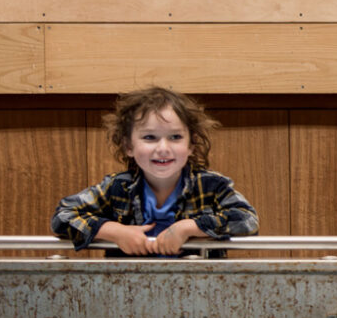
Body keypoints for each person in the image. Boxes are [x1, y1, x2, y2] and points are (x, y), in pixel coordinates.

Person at [51, 86, 258, 257]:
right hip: (130, 293)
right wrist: (114, 231)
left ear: (191, 145)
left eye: (175, 137)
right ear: (128, 146)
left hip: (199, 291)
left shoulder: (212, 186)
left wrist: (189, 227)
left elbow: (247, 219)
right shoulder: (116, 188)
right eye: (150, 138)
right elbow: (63, 216)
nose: (163, 148)